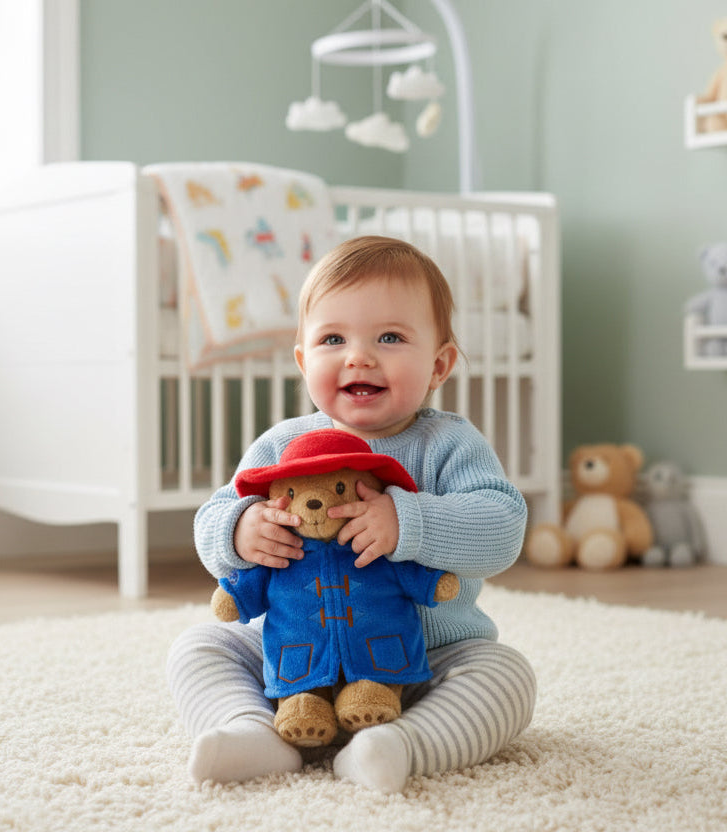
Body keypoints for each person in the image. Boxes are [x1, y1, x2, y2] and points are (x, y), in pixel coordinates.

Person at [167, 235, 536, 793]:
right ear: (303, 360)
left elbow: (502, 527)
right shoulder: (282, 445)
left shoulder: (449, 444)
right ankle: (254, 731)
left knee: (506, 676)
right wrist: (240, 531)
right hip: (291, 665)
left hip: (424, 663)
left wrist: (408, 522)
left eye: (390, 337)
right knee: (199, 646)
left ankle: (399, 745)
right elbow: (213, 516)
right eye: (333, 338)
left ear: (439, 364)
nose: (358, 356)